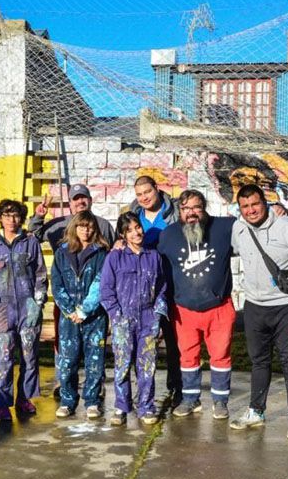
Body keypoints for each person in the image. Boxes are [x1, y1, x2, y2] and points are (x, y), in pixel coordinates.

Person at [228, 184, 288, 439]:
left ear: (266, 202)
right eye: (245, 207)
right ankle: (256, 411)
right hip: (254, 307)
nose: (251, 210)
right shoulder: (238, 229)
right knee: (259, 361)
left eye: (255, 204)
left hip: (286, 306)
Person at [28, 184, 115, 398]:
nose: (80, 202)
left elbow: (112, 254)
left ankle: (96, 386)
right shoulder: (59, 224)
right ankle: (64, 382)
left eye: (83, 198)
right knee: (64, 342)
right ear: (70, 203)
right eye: (76, 199)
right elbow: (35, 234)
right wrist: (39, 216)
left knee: (95, 344)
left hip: (94, 298)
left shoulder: (102, 225)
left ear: (90, 200)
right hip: (66, 296)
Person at [157, 189, 236, 420]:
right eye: (185, 208)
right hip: (184, 309)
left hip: (219, 306)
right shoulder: (168, 235)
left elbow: (254, 224)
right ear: (180, 211)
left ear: (204, 208)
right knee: (188, 356)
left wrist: (277, 209)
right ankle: (190, 399)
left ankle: (220, 402)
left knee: (220, 356)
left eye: (196, 207)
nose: (191, 213)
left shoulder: (225, 227)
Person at [100, 212, 167, 426]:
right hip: (123, 320)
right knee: (122, 365)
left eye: (137, 227)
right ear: (122, 234)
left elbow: (163, 288)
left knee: (147, 366)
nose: (136, 232)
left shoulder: (154, 256)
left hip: (148, 319)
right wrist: (117, 317)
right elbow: (106, 291)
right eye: (129, 230)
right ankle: (121, 406)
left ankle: (146, 406)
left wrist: (158, 314)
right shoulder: (115, 257)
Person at [0, 199, 48, 422]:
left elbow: (41, 275)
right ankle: (3, 403)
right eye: (7, 215)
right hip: (5, 312)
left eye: (15, 215)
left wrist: (37, 303)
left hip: (28, 309)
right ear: (0, 218)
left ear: (21, 218)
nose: (11, 220)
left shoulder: (30, 243)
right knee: (5, 358)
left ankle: (24, 398)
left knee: (29, 356)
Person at [128, 176, 182, 404]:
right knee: (141, 342)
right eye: (139, 194)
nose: (144, 198)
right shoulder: (133, 217)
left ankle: (176, 386)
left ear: (157, 190)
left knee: (174, 340)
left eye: (147, 192)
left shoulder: (174, 213)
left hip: (172, 285)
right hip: (141, 290)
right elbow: (124, 239)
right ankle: (142, 388)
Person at [51, 211, 109, 419]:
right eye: (82, 226)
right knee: (67, 361)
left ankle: (92, 401)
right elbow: (56, 284)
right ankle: (68, 400)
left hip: (94, 317)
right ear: (74, 227)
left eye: (90, 226)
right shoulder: (62, 252)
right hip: (69, 319)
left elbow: (101, 283)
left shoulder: (102, 253)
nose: (86, 230)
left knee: (95, 361)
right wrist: (69, 310)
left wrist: (84, 310)